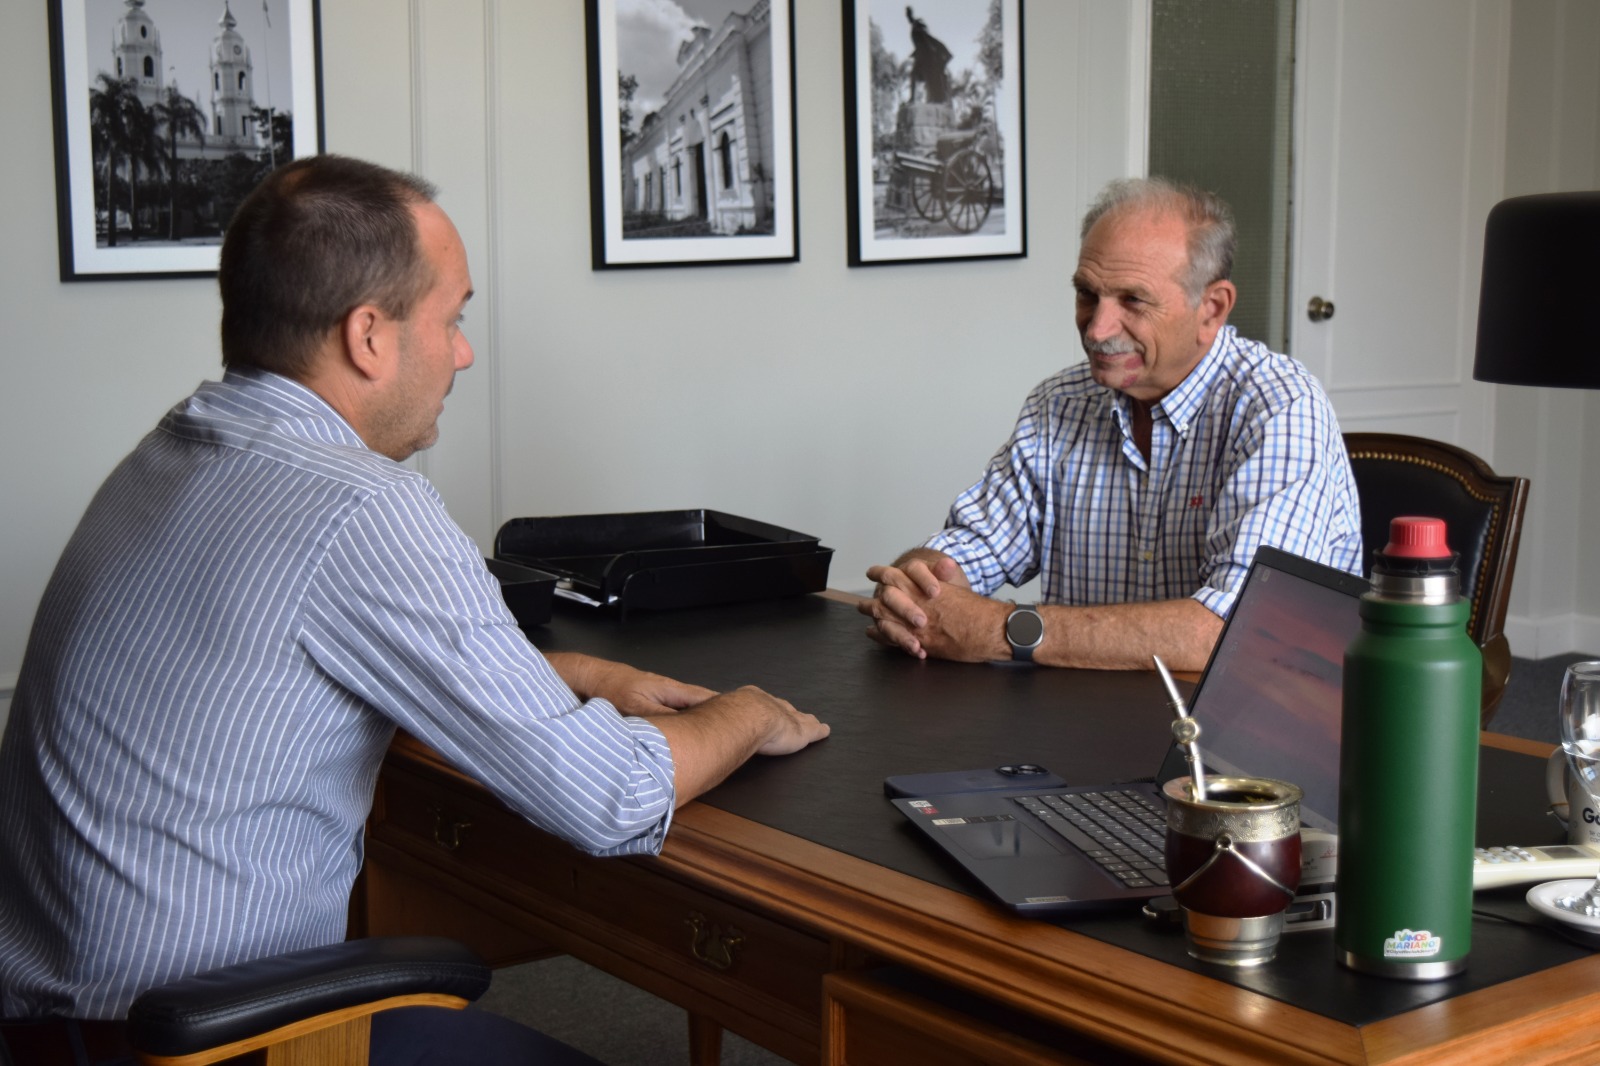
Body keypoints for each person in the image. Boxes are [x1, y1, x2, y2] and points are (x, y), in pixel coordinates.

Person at [0, 155, 827, 1065]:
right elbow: (608, 798)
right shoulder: (359, 504)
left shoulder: (179, 447)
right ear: (369, 337)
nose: (464, 350)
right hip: (208, 1039)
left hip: (48, 1018)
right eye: (454, 317)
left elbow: (284, 659)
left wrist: (585, 677)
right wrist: (749, 712)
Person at [860, 177, 1362, 673]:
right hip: (1079, 726)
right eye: (1087, 294)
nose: (1097, 329)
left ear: (1211, 309)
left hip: (1241, 736)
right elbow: (972, 547)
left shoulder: (1279, 407)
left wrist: (1001, 629)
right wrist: (915, 589)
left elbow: (1234, 632)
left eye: (1132, 301)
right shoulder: (1060, 402)